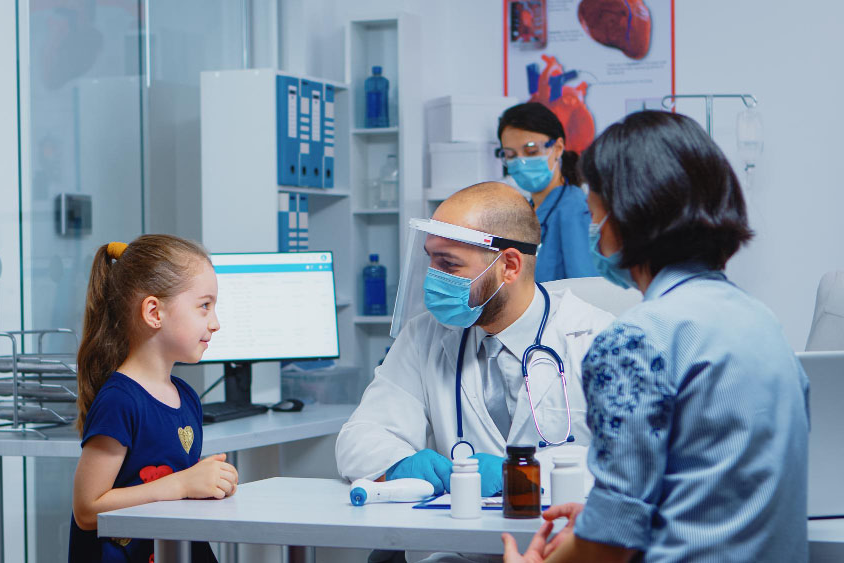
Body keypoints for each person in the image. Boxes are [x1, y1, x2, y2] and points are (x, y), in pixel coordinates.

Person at [503, 111, 810, 562]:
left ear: (627, 215)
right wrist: (602, 513)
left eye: (593, 212)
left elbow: (607, 548)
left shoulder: (634, 340)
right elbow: (718, 488)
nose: (593, 227)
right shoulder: (762, 321)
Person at [336, 182, 614, 562]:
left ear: (510, 266)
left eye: (448, 264)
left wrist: (516, 475)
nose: (433, 278)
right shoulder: (424, 335)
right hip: (453, 551)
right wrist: (399, 463)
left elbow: (631, 465)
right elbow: (360, 436)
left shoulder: (599, 338)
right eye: (430, 260)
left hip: (560, 552)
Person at [69, 235, 238, 563]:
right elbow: (86, 509)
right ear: (154, 312)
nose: (215, 323)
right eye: (204, 306)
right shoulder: (120, 402)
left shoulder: (186, 397)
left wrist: (205, 482)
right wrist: (182, 485)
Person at [497, 102, 597, 283]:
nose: (521, 162)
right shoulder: (527, 209)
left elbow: (585, 286)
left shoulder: (572, 207)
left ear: (558, 148)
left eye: (531, 151)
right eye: (511, 155)